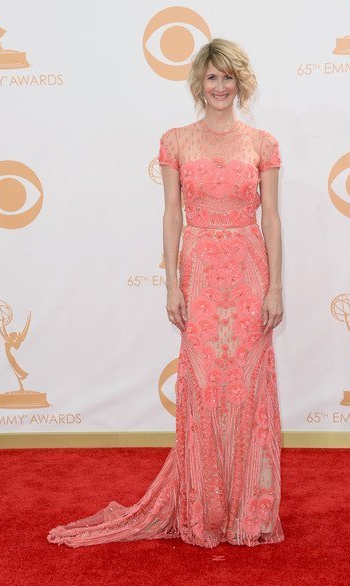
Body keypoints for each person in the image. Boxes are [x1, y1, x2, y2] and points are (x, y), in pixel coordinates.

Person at [47, 38, 284, 548]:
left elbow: (271, 218)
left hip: (248, 271)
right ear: (199, 83)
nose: (220, 86)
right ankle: (205, 509)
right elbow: (172, 215)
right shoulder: (176, 141)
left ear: (241, 82)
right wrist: (173, 284)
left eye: (228, 77)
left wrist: (275, 287)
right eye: (212, 77)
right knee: (204, 386)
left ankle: (249, 511)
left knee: (247, 389)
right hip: (200, 271)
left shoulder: (262, 144)